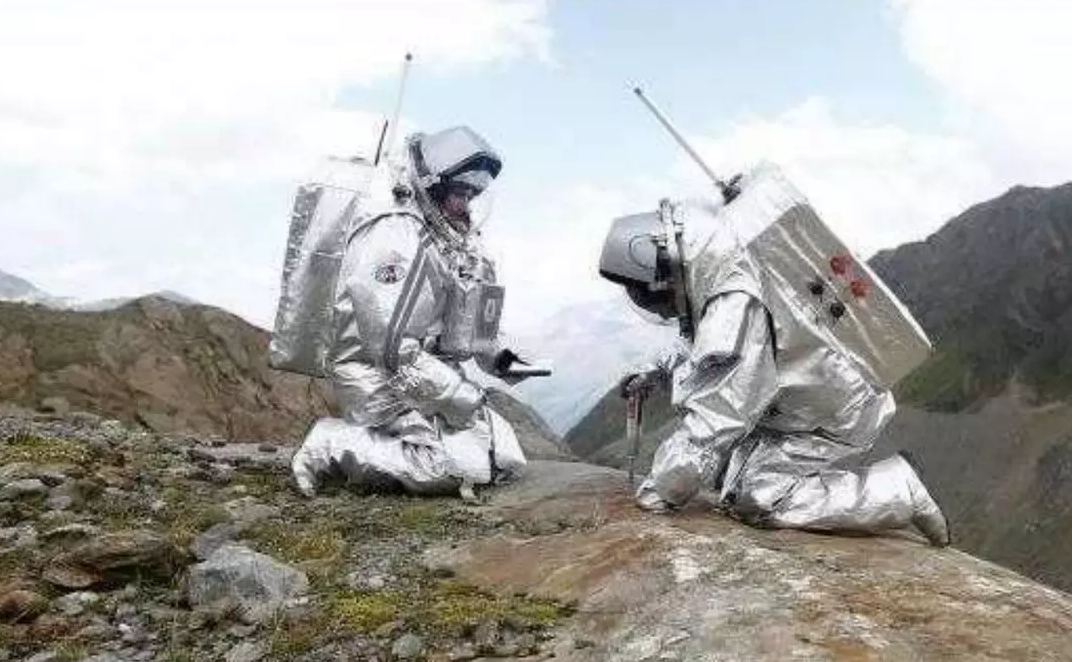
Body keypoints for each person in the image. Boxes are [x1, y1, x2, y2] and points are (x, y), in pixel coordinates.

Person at [595, 192, 951, 546]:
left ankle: (896, 490)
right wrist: (655, 370)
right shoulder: (719, 259)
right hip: (803, 399)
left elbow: (718, 416)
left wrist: (663, 489)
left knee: (757, 495)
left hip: (825, 415)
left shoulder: (735, 300)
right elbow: (705, 340)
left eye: (650, 296)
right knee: (726, 473)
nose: (660, 309)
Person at [291, 126, 536, 498]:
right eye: (460, 193)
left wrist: (500, 359)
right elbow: (393, 349)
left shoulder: (447, 238)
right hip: (376, 375)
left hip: (421, 376)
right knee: (447, 467)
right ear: (434, 186)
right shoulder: (397, 236)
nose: (466, 205)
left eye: (472, 194)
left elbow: (465, 321)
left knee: (503, 458)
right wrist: (455, 394)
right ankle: (329, 444)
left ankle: (380, 444)